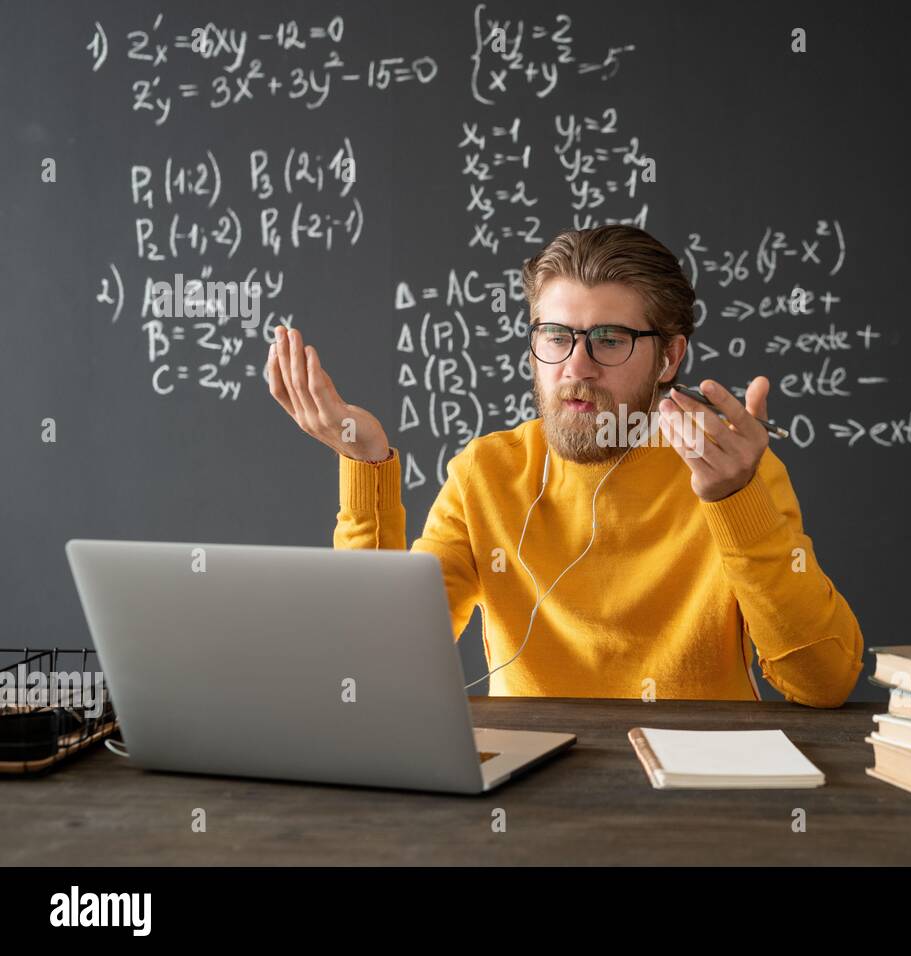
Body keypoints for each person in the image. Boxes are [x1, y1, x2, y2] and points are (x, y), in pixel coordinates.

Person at [267, 224, 863, 706]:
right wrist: (364, 464)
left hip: (699, 796)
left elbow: (823, 683)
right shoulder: (487, 473)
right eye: (555, 336)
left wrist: (736, 502)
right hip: (525, 800)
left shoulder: (732, 470)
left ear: (669, 357)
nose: (575, 367)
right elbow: (377, 664)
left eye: (608, 340)